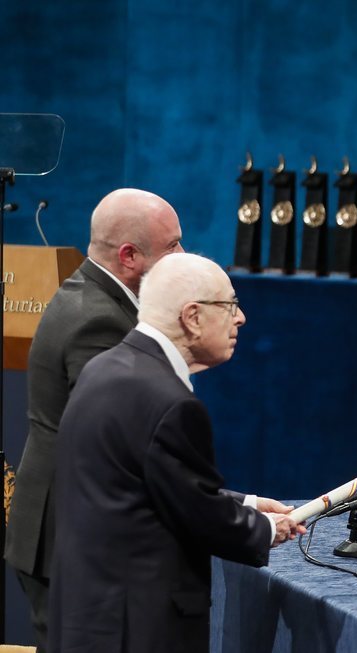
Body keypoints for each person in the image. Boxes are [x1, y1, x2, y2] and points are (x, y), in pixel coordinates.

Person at [48, 253, 305, 653]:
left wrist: (249, 503)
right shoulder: (170, 401)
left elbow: (147, 484)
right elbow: (196, 513)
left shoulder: (105, 368)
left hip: (90, 618)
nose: (241, 319)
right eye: (231, 305)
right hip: (138, 630)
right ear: (193, 316)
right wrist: (267, 529)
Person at [5, 188, 185, 652]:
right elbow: (120, 446)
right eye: (172, 246)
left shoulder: (95, 298)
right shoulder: (98, 321)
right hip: (71, 537)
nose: (182, 257)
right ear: (129, 256)